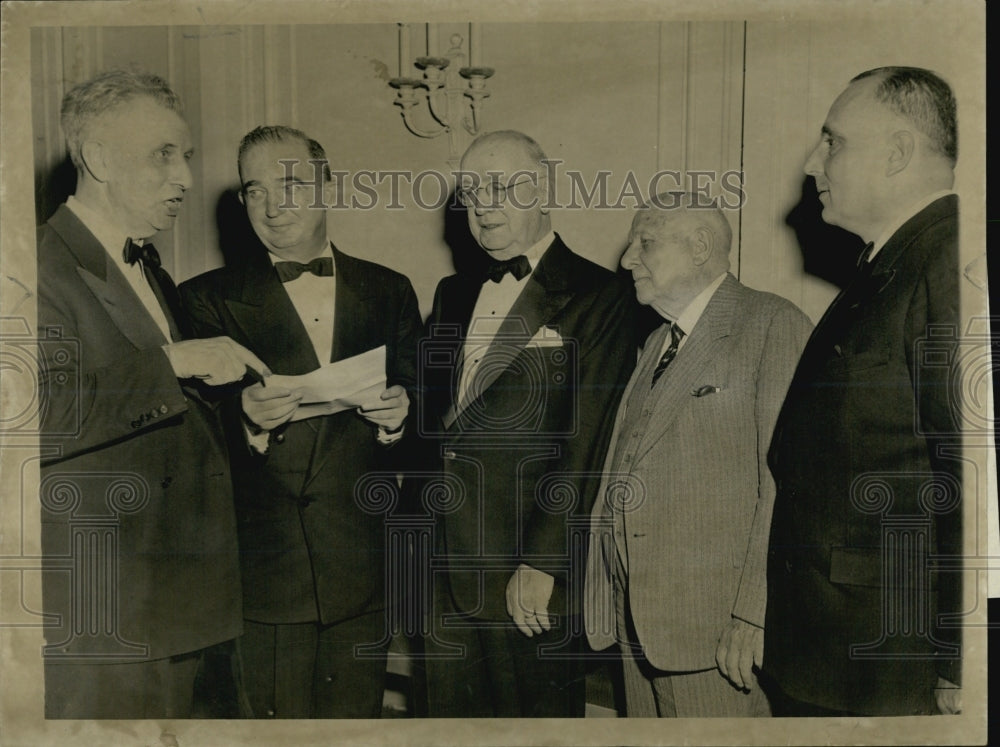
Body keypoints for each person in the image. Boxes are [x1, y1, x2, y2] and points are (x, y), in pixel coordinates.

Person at [36, 69, 268, 719]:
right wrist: (174, 360)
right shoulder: (35, 264)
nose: (187, 179)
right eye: (164, 155)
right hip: (111, 611)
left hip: (185, 598)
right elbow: (37, 413)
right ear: (100, 158)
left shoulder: (148, 263)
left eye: (186, 156)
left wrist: (244, 414)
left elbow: (162, 410)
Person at [179, 125, 422, 718]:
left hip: (360, 571)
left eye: (291, 183)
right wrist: (248, 424)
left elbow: (427, 425)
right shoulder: (204, 300)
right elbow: (185, 452)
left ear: (327, 185)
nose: (274, 205)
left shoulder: (389, 290)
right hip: (265, 577)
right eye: (255, 190)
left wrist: (399, 419)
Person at [414, 130, 638, 717]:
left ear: (544, 190)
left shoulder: (604, 295)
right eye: (471, 192)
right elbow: (443, 422)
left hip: (527, 572)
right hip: (443, 566)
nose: (483, 204)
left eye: (500, 187)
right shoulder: (452, 291)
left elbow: (588, 441)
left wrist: (544, 561)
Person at [764, 67, 963, 716]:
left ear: (899, 152)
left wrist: (960, 661)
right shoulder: (890, 261)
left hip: (884, 662)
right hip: (834, 645)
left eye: (833, 141)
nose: (811, 161)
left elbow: (968, 474)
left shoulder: (944, 264)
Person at [583, 195, 812, 717]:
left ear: (700, 247)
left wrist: (752, 616)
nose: (626, 260)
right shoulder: (657, 342)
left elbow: (785, 489)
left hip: (714, 637)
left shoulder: (771, 324)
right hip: (636, 627)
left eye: (646, 243)